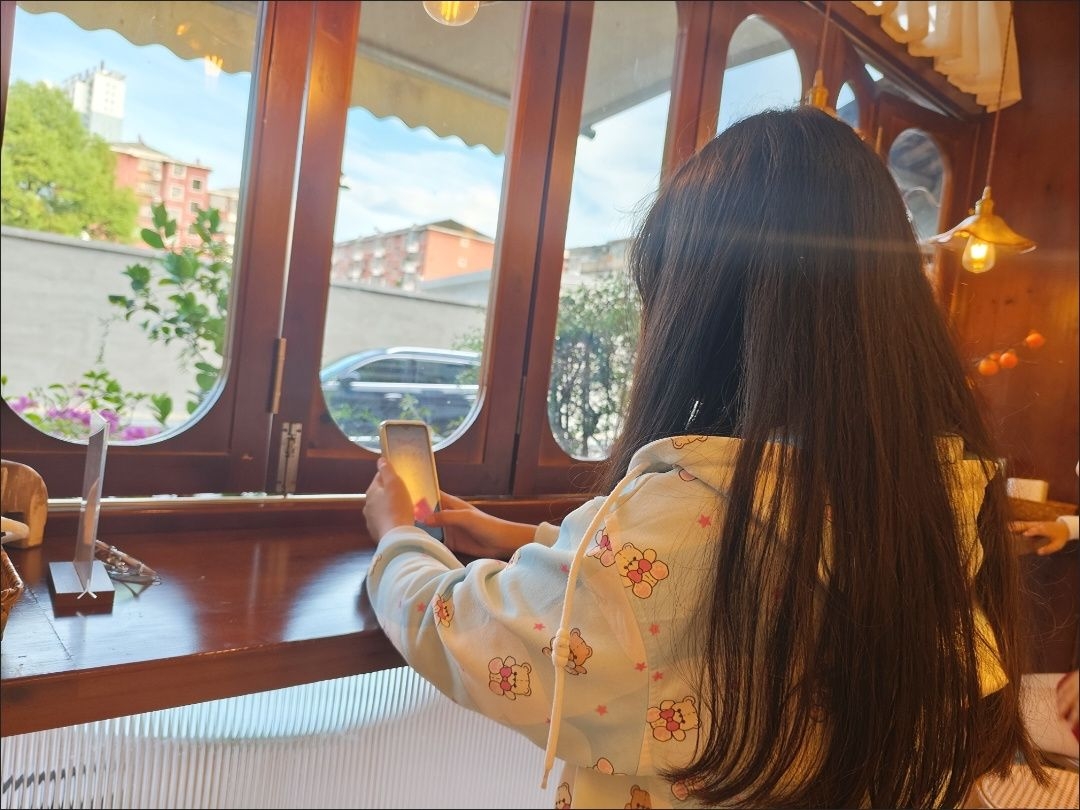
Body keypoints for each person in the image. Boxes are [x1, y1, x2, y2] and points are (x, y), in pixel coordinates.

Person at [363, 107, 1043, 808]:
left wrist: (398, 539)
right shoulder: (937, 489)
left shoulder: (696, 504)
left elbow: (470, 635)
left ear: (707, 312)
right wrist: (528, 541)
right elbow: (727, 573)